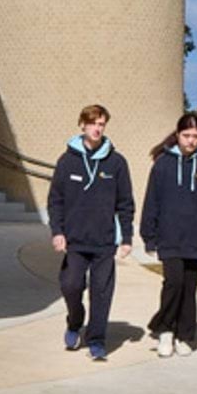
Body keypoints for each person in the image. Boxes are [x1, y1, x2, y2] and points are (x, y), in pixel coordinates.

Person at [140, 112, 197, 358]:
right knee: (174, 283)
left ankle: (184, 335)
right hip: (169, 237)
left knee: (189, 288)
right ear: (178, 135)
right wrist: (148, 236)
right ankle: (165, 331)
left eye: (195, 136)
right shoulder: (163, 164)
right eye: (186, 135)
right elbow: (152, 202)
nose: (191, 140)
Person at [47, 103, 135, 363]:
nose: (97, 128)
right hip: (74, 240)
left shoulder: (117, 163)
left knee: (102, 293)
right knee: (71, 284)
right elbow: (56, 200)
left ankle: (96, 341)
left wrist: (127, 237)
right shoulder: (67, 161)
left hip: (105, 241)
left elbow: (125, 204)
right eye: (93, 123)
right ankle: (75, 322)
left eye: (101, 124)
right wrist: (57, 231)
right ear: (82, 125)